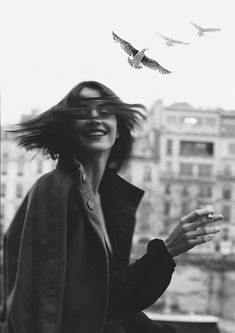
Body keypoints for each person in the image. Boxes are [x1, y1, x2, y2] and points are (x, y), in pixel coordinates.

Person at [2, 81, 223, 333]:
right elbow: (64, 303)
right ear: (67, 129)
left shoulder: (105, 197)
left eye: (104, 111)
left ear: (117, 130)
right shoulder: (54, 189)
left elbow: (110, 300)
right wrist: (168, 250)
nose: (94, 117)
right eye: (83, 112)